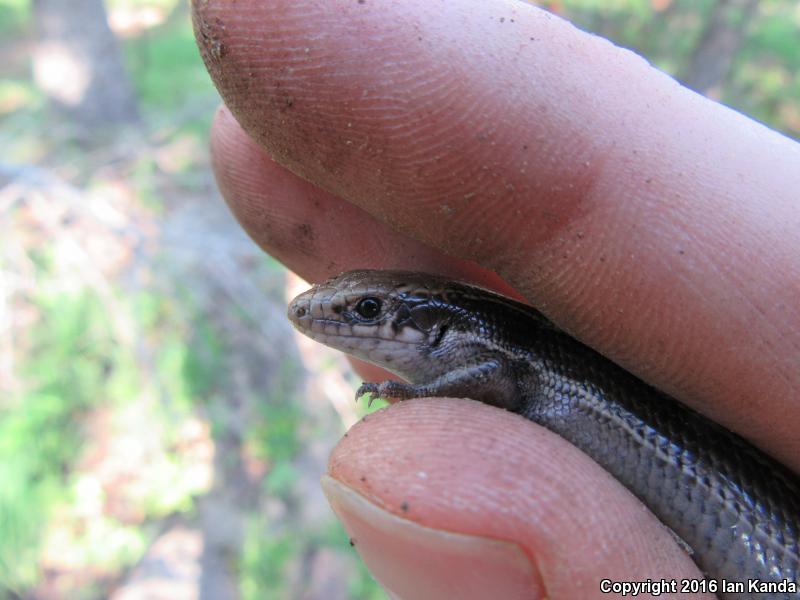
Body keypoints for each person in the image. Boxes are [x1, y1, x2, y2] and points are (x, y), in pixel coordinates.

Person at [192, 1, 800, 597]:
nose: (316, 313)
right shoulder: (487, 349)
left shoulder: (486, 359)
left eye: (369, 310)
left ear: (438, 326)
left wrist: (422, 395)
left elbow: (494, 377)